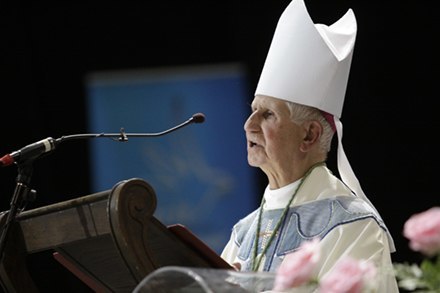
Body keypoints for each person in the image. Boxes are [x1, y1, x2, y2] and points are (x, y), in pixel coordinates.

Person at [220, 0, 399, 291]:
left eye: (268, 114)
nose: (248, 125)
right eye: (253, 110)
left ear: (309, 136)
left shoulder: (353, 226)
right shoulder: (244, 233)